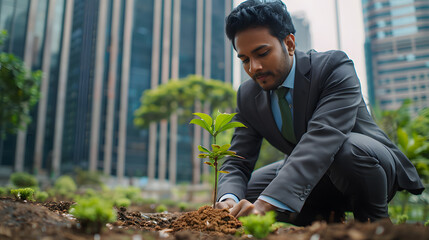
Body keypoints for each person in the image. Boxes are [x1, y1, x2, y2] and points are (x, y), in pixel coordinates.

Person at [215, 0, 424, 226]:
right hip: (313, 176)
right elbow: (237, 161)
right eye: (245, 59)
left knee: (345, 150)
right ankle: (326, 222)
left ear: (289, 43)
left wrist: (266, 204)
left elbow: (323, 138)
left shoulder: (334, 67)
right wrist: (229, 200)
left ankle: (375, 226)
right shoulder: (247, 95)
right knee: (248, 194)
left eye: (262, 53)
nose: (253, 68)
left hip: (365, 164)